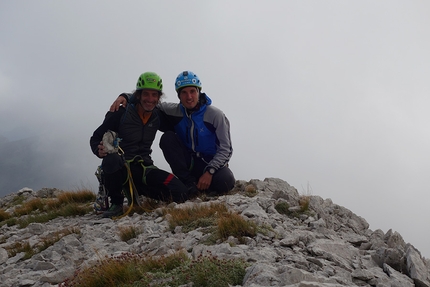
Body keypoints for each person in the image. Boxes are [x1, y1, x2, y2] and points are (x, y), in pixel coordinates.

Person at [110, 71, 235, 196]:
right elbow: (149, 101)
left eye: (192, 91)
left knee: (226, 181)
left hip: (211, 163)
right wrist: (126, 96)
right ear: (179, 95)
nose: (189, 97)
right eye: (184, 93)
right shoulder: (173, 110)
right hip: (189, 163)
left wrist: (210, 172)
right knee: (168, 138)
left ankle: (205, 185)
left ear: (199, 92)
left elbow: (226, 149)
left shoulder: (215, 115)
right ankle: (188, 183)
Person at [90, 72, 189, 218]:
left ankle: (137, 191)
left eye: (154, 95)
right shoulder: (121, 113)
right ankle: (116, 203)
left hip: (145, 168)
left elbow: (176, 126)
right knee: (111, 159)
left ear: (158, 97)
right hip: (122, 166)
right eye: (146, 94)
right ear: (138, 95)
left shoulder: (157, 116)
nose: (150, 99)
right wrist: (98, 151)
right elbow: (95, 137)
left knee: (181, 193)